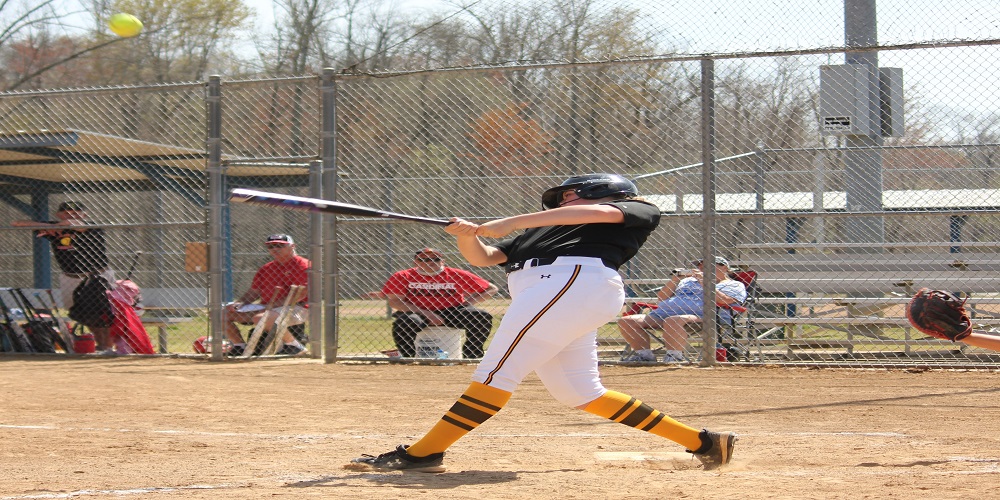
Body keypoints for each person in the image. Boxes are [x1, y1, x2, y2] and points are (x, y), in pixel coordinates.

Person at [351, 173, 737, 473]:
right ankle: (704, 442)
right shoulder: (538, 231)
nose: (564, 202)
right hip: (557, 295)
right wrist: (467, 235)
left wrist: (506, 221)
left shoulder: (635, 208)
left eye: (570, 195)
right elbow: (484, 258)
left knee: (495, 373)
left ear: (604, 190)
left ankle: (424, 453)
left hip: (570, 284)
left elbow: (592, 213)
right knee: (582, 393)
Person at [12, 201, 115, 350]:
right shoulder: (53, 227)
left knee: (102, 313)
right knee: (82, 313)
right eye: (67, 212)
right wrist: (51, 227)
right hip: (70, 277)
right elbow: (17, 222)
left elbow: (77, 225)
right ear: (58, 215)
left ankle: (107, 347)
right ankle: (100, 346)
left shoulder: (92, 226)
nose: (71, 214)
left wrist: (62, 225)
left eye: (76, 211)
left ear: (84, 214)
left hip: (96, 276)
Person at [617, 256, 747, 363]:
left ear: (724, 268)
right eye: (700, 266)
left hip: (706, 317)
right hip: (664, 314)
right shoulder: (688, 281)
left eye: (707, 265)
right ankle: (644, 356)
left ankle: (675, 356)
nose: (701, 268)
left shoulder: (734, 284)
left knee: (673, 320)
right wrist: (675, 280)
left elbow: (724, 301)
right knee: (627, 321)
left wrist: (705, 282)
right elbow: (662, 298)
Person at [382, 248, 499, 359]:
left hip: (452, 311)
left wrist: (468, 303)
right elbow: (394, 301)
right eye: (423, 259)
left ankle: (472, 354)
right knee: (405, 322)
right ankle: (408, 356)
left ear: (443, 261)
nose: (429, 262)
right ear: (415, 262)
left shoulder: (456, 274)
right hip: (417, 311)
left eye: (435, 259)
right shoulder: (403, 276)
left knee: (481, 316)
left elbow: (491, 288)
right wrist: (428, 314)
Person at [224, 234, 310, 356]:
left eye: (280, 245)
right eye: (271, 246)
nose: (275, 249)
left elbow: (299, 295)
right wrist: (239, 303)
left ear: (293, 246)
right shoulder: (267, 268)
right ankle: (240, 346)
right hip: (267, 308)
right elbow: (253, 293)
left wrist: (270, 307)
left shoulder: (303, 265)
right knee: (221, 314)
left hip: (298, 307)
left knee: (261, 318)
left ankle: (296, 346)